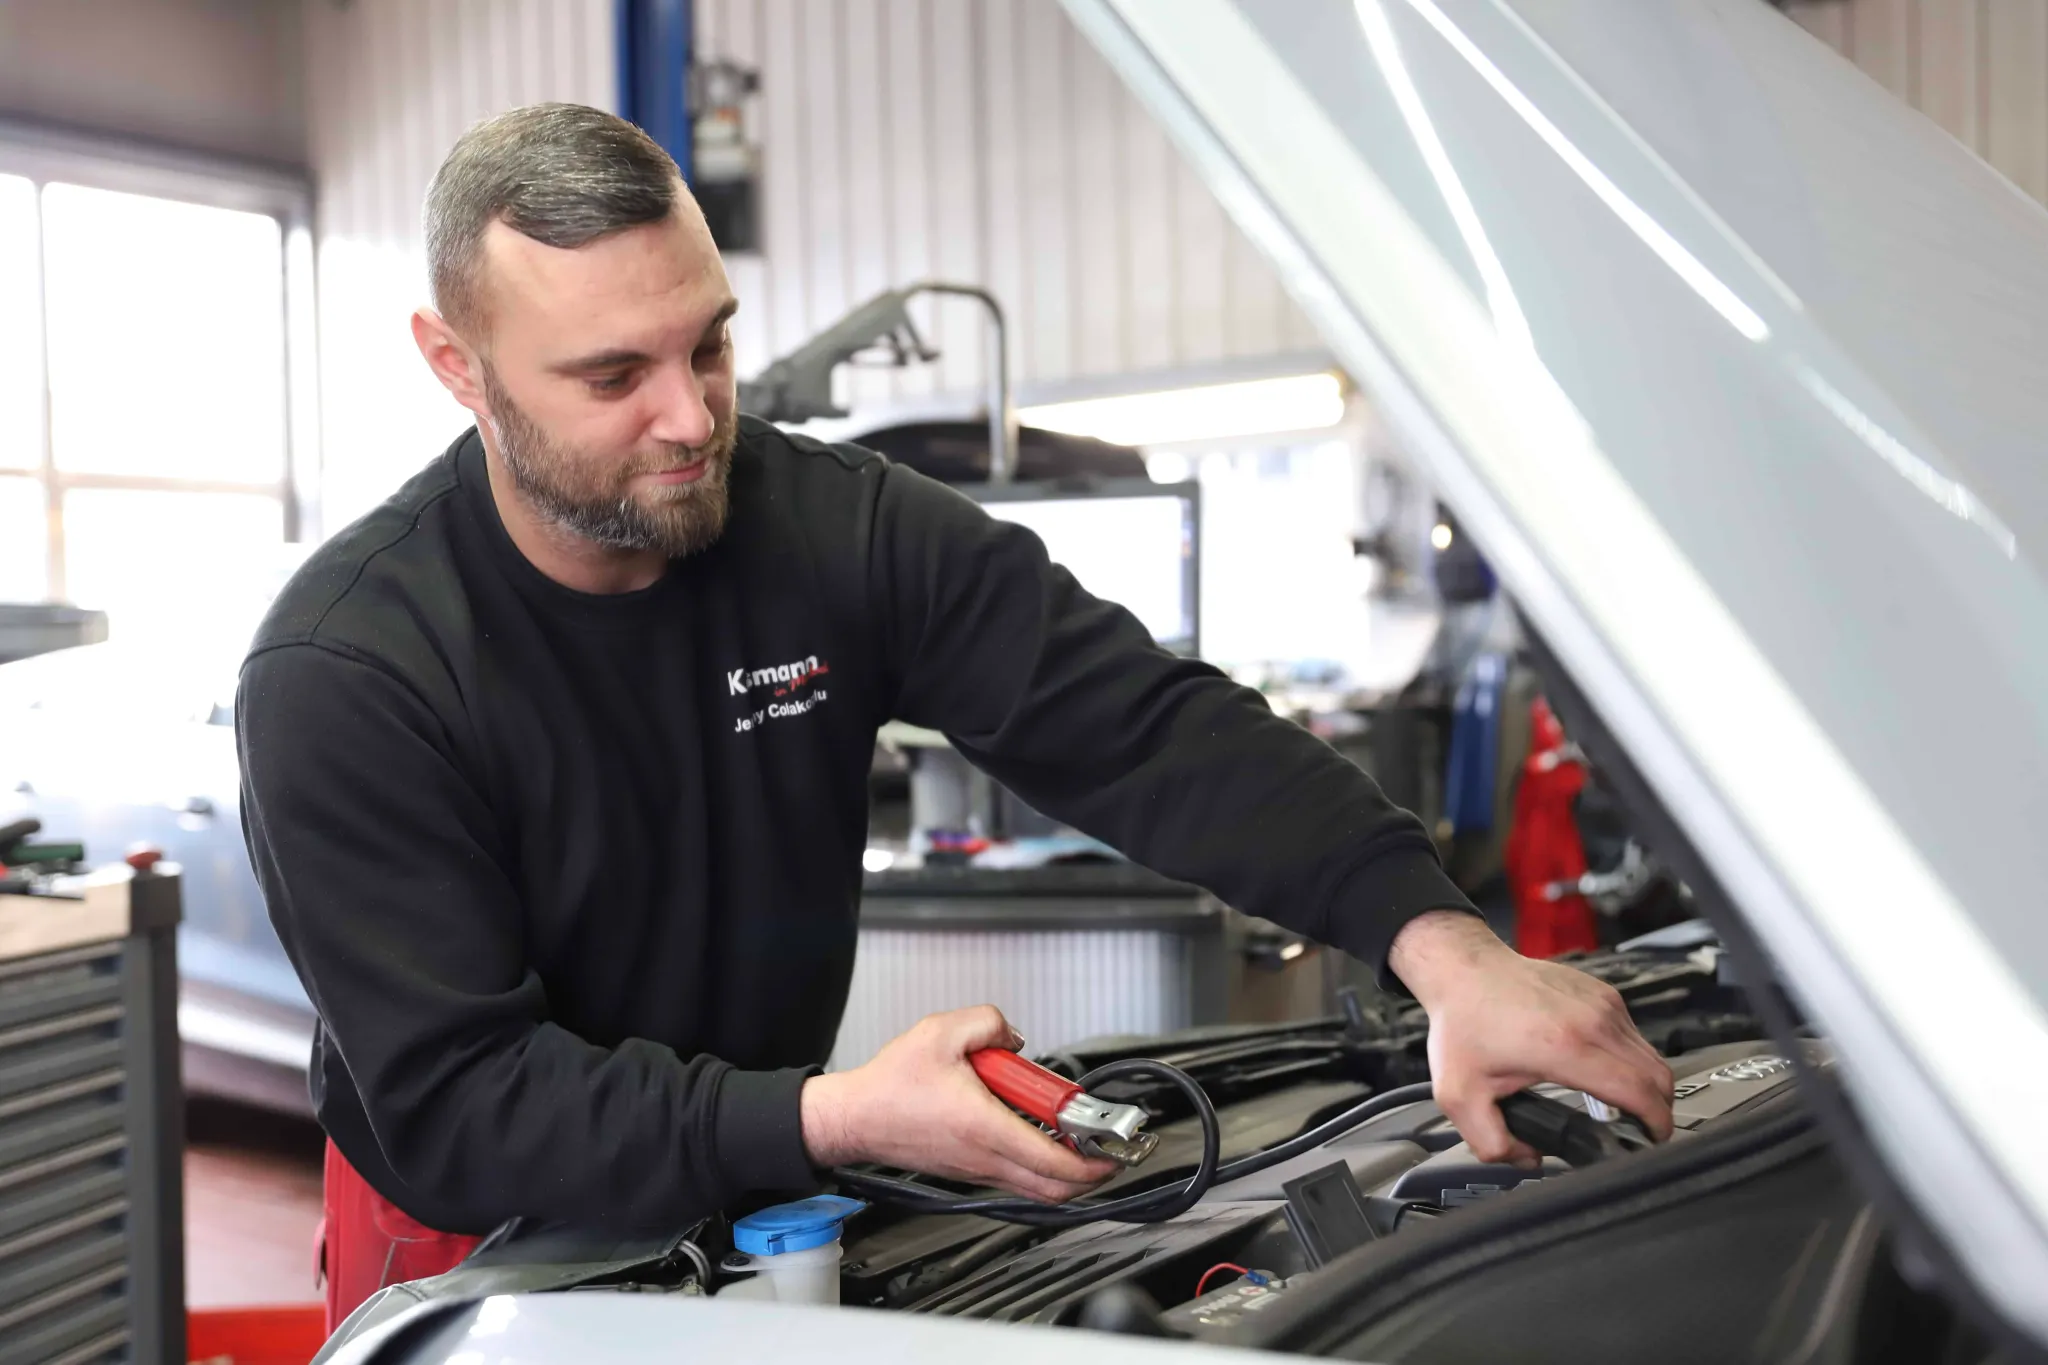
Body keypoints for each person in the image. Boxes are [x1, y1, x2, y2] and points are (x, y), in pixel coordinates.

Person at [235, 104, 1674, 1328]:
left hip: (767, 1171)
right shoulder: (350, 673)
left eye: (711, 348)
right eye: (613, 376)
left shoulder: (832, 531)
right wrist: (831, 1118)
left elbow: (1143, 725)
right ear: (456, 367)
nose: (690, 419)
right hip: (487, 1217)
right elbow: (466, 1102)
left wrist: (1446, 945)